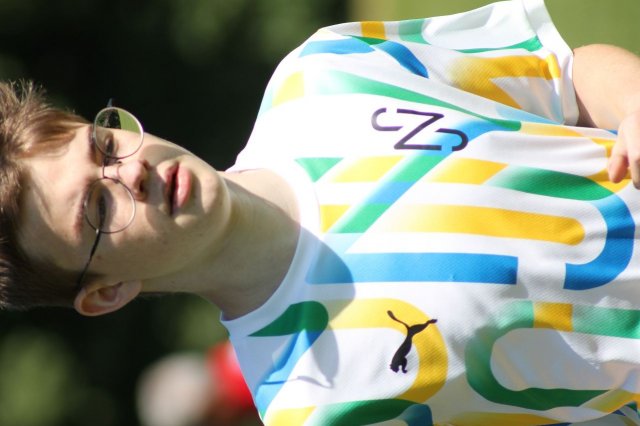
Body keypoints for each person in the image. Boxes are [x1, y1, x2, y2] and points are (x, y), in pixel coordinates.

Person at [3, 0, 640, 424]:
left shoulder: (321, 74)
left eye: (104, 146)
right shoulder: (314, 407)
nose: (130, 172)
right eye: (98, 206)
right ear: (108, 292)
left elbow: (563, 77)